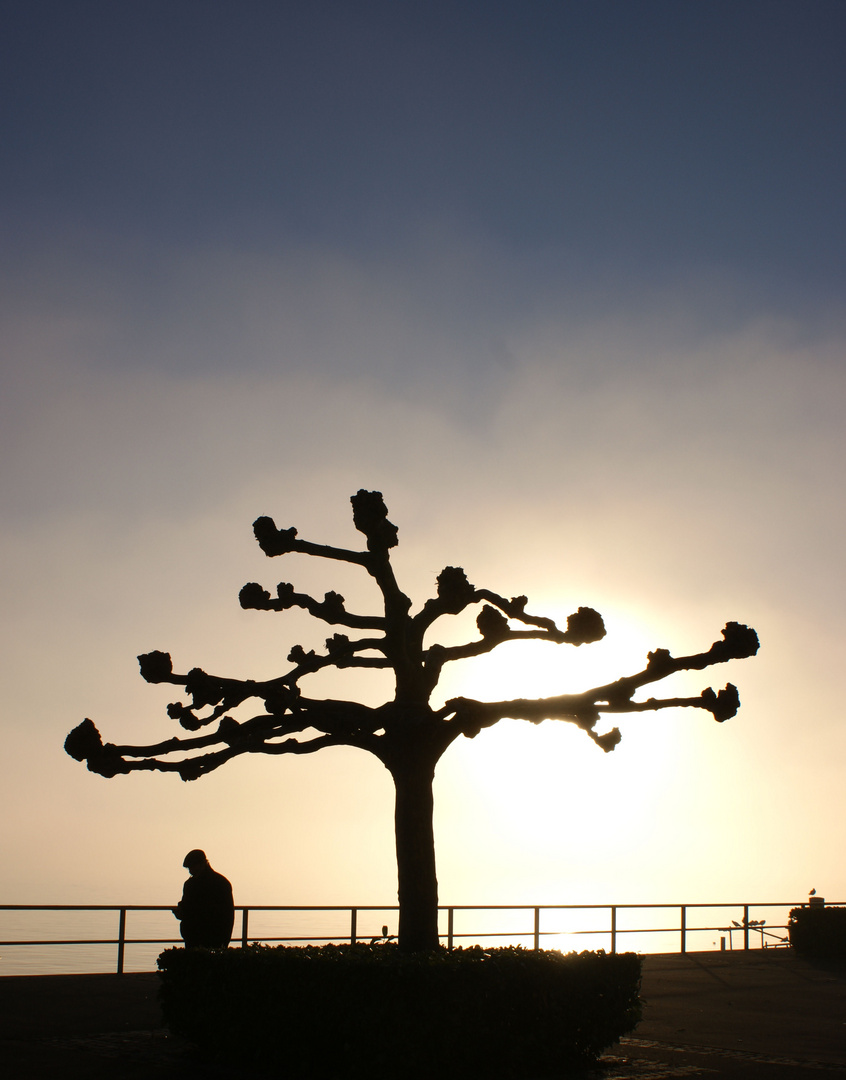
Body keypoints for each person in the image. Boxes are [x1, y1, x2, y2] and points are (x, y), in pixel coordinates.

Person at [172, 849, 234, 948]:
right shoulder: (221, 882)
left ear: (201, 864)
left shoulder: (191, 884)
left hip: (200, 937)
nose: (190, 871)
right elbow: (228, 915)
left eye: (192, 867)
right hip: (210, 937)